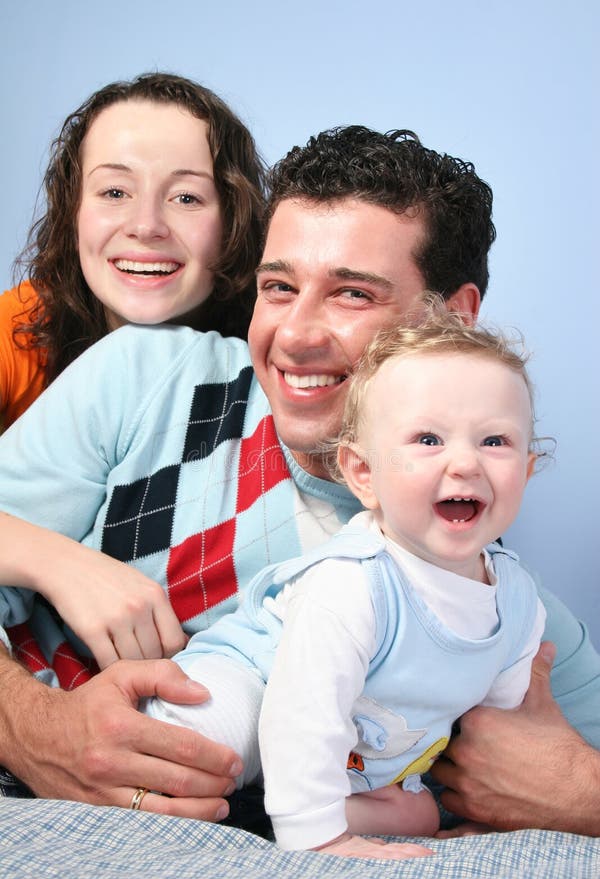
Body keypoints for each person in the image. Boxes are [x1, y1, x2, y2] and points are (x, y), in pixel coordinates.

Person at [0, 127, 598, 834]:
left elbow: (555, 769)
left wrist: (579, 792)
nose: (293, 335)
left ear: (453, 319)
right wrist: (31, 727)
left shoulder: (494, 609)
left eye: (350, 294)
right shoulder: (144, 379)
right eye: (278, 287)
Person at [143, 309, 546, 859]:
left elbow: (492, 732)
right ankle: (283, 804)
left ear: (525, 470)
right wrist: (322, 840)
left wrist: (494, 815)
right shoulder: (355, 585)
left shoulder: (519, 604)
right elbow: (302, 712)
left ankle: (273, 804)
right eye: (428, 439)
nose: (465, 463)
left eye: (495, 441)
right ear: (363, 474)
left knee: (421, 812)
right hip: (259, 685)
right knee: (211, 736)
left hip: (358, 758)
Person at [0, 71, 265, 431]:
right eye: (115, 193)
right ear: (73, 210)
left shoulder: (275, 350)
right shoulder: (22, 327)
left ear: (233, 222)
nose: (145, 226)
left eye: (186, 197)